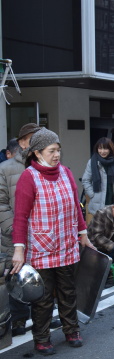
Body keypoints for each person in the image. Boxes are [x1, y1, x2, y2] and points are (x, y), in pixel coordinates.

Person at [11, 128, 95, 355]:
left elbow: (77, 208)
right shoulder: (29, 177)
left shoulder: (66, 173)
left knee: (68, 291)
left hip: (66, 244)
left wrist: (83, 233)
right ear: (37, 153)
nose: (57, 154)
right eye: (52, 151)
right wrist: (19, 249)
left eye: (58, 150)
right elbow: (20, 216)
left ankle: (72, 330)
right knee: (44, 297)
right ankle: (42, 337)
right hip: (41, 248)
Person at [0, 123, 41, 336]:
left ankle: (40, 317)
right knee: (16, 276)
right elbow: (1, 203)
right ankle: (18, 320)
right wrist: (11, 227)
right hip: (13, 233)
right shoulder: (5, 168)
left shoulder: (42, 165)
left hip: (40, 232)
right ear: (23, 140)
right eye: (33, 139)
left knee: (40, 275)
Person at [82, 137, 114, 216]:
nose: (102, 151)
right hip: (98, 202)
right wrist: (92, 194)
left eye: (105, 149)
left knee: (113, 227)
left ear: (110, 149)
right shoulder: (92, 162)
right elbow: (85, 180)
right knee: (100, 227)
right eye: (100, 148)